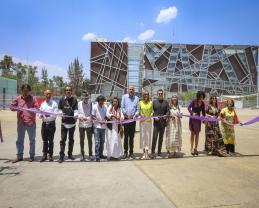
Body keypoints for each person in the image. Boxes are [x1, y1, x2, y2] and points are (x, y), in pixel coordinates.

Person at [10, 84, 39, 163]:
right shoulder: (18, 99)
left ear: (29, 91)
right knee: (19, 141)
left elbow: (37, 108)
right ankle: (19, 156)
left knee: (32, 140)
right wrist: (16, 108)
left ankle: (32, 156)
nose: (25, 92)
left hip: (31, 123)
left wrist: (30, 109)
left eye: (27, 91)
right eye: (24, 91)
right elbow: (11, 107)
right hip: (21, 123)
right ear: (21, 91)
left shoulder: (33, 99)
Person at [58, 85, 78, 163]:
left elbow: (76, 109)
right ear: (65, 91)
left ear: (71, 91)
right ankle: (61, 156)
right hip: (64, 123)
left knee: (71, 140)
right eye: (67, 90)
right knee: (63, 140)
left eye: (69, 90)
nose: (68, 91)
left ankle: (70, 154)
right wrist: (60, 114)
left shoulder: (74, 99)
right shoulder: (61, 99)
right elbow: (59, 109)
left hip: (72, 123)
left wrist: (76, 114)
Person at [39, 89, 58, 162]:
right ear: (44, 95)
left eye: (49, 94)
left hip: (51, 124)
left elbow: (55, 115)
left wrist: (46, 115)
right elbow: (39, 113)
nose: (48, 95)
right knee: (44, 140)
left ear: (51, 94)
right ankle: (44, 155)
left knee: (51, 140)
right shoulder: (42, 104)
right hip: (44, 124)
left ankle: (50, 155)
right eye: (46, 94)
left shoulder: (54, 104)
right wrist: (41, 115)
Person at [121, 86, 139, 159]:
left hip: (133, 120)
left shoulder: (137, 98)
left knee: (131, 137)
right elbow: (122, 107)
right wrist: (127, 115)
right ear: (128, 90)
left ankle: (131, 152)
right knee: (126, 137)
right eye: (130, 89)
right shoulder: (124, 97)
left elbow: (138, 109)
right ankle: (125, 152)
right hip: (126, 119)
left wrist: (134, 115)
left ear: (134, 90)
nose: (131, 90)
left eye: (132, 89)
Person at [151, 89, 169, 159]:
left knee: (161, 138)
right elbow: (152, 112)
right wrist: (154, 117)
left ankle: (159, 152)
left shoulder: (166, 102)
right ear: (157, 94)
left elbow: (168, 111)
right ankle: (152, 152)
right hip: (156, 122)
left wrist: (166, 115)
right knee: (155, 138)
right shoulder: (154, 102)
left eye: (161, 93)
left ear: (163, 94)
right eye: (159, 94)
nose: (160, 95)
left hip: (163, 123)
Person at [188, 91, 206, 156]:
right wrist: (192, 113)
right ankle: (192, 148)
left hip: (198, 120)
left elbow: (203, 112)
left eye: (202, 96)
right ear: (198, 96)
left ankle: (196, 148)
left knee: (197, 134)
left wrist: (204, 119)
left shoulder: (203, 103)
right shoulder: (194, 101)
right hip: (192, 119)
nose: (201, 97)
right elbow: (188, 108)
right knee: (192, 134)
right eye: (200, 96)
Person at [78, 91, 93, 161]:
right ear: (82, 97)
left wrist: (87, 118)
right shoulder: (79, 104)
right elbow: (76, 112)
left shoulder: (91, 104)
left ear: (88, 97)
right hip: (81, 125)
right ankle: (82, 154)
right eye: (84, 97)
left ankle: (90, 154)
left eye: (87, 97)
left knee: (90, 140)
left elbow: (92, 114)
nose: (86, 99)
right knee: (81, 140)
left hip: (89, 125)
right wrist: (79, 117)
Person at [92, 95, 107, 162]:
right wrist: (98, 120)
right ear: (98, 101)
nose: (101, 103)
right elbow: (92, 116)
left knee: (102, 141)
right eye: (100, 102)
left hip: (103, 127)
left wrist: (104, 120)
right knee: (97, 142)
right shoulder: (94, 106)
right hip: (96, 127)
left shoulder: (105, 106)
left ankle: (101, 154)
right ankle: (97, 156)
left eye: (102, 101)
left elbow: (107, 115)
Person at [139, 90, 153, 159]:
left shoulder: (151, 102)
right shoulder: (140, 102)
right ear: (143, 95)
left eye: (147, 94)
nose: (146, 95)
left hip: (149, 122)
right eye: (145, 94)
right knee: (143, 137)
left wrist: (151, 115)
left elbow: (152, 111)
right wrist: (141, 114)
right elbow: (139, 111)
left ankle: (147, 153)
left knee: (148, 137)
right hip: (142, 122)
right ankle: (143, 153)